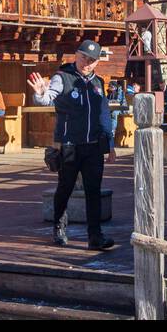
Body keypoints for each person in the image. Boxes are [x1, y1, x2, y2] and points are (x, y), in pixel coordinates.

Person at [28, 39, 115, 250]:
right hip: (70, 145)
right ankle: (59, 227)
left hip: (94, 145)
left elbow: (103, 114)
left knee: (93, 191)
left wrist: (110, 144)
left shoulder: (98, 83)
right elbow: (48, 97)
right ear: (76, 55)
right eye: (84, 57)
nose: (87, 62)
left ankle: (95, 237)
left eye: (92, 60)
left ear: (97, 62)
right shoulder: (62, 77)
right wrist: (40, 93)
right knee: (65, 188)